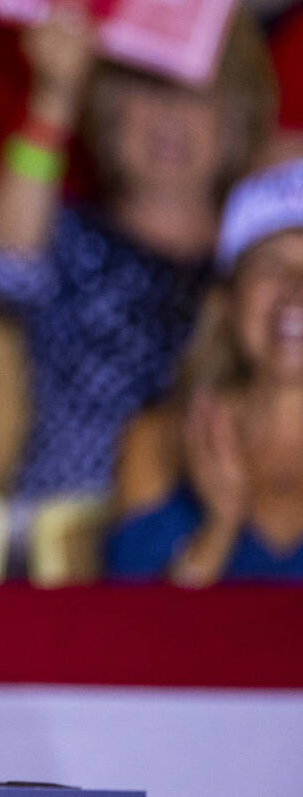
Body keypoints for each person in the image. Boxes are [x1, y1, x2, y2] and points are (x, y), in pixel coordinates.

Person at [0, 0, 275, 580]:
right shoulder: (74, 239)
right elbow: (6, 269)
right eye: (147, 92)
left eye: (195, 95)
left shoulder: (263, 268)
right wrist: (54, 98)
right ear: (111, 109)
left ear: (234, 116)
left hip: (243, 548)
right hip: (73, 557)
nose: (170, 119)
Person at [109, 156, 303, 584]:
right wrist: (217, 530)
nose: (296, 288)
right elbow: (134, 635)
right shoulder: (156, 442)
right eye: (271, 264)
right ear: (228, 302)